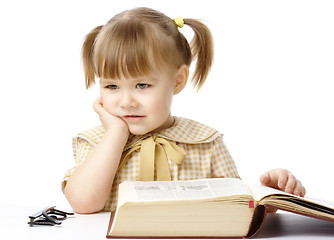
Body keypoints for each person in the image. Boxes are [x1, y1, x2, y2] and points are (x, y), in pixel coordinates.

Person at [62, 7, 306, 214]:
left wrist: (270, 199)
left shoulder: (205, 142)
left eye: (142, 85)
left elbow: (237, 209)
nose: (126, 101)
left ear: (177, 81)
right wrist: (115, 133)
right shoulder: (95, 143)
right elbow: (83, 204)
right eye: (112, 86)